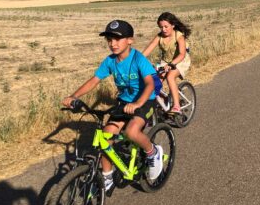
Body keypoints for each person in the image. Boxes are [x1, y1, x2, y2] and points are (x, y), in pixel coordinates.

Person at [62, 20, 164, 191]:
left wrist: (138, 103)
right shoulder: (110, 61)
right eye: (109, 40)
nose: (113, 43)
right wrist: (74, 96)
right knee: (105, 136)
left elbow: (150, 84)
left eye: (118, 39)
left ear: (130, 40)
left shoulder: (138, 59)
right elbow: (94, 80)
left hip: (145, 100)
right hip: (124, 102)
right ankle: (107, 176)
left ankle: (152, 152)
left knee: (132, 131)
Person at [143, 12, 191, 114]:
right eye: (161, 27)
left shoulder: (179, 36)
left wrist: (171, 65)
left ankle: (176, 106)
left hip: (180, 61)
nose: (163, 29)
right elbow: (147, 51)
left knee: (170, 77)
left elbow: (182, 54)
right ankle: (163, 102)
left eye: (166, 26)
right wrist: (135, 61)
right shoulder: (159, 37)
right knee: (155, 82)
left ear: (173, 25)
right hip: (165, 61)